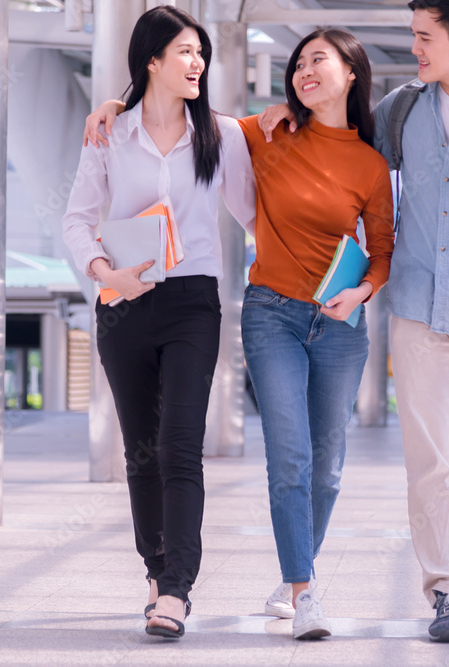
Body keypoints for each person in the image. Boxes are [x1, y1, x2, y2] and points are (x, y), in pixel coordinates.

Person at [257, 0, 449, 643]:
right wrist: (289, 113)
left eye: (424, 38)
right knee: (429, 461)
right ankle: (448, 591)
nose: (415, 50)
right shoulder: (402, 110)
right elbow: (340, 142)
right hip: (419, 310)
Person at [84, 29, 394, 640]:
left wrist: (360, 291)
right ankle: (301, 591)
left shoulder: (370, 163)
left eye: (318, 62)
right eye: (298, 63)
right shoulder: (263, 131)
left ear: (352, 74)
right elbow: (185, 111)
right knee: (290, 456)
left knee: (326, 469)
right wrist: (115, 105)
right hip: (270, 312)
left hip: (337, 321)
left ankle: (291, 572)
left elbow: (382, 250)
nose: (304, 72)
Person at [62, 6, 255, 640]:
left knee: (179, 445)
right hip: (122, 303)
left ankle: (176, 589)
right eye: (185, 52)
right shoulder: (109, 135)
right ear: (151, 61)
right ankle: (156, 570)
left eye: (202, 52)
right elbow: (76, 219)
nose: (198, 62)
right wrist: (102, 272)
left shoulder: (220, 137)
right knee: (140, 452)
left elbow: (254, 213)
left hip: (192, 303)